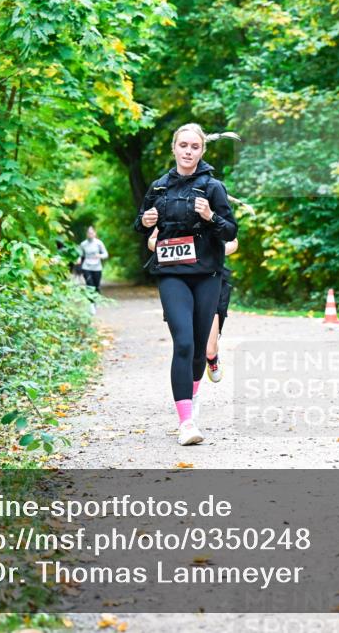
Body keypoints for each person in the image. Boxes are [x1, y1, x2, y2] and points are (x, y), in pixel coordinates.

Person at [134, 124, 238, 445]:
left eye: (195, 146)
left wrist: (210, 217)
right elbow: (141, 224)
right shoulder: (158, 187)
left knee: (197, 348)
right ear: (174, 148)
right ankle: (186, 423)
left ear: (202, 150)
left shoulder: (213, 187)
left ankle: (191, 399)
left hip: (207, 275)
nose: (188, 151)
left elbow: (230, 231)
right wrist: (145, 222)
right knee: (182, 343)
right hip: (172, 274)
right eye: (183, 145)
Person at [149, 231, 238, 383]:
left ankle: (212, 359)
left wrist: (211, 250)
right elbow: (152, 241)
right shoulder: (169, 214)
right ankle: (190, 392)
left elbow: (233, 242)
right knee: (186, 344)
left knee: (208, 349)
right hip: (179, 280)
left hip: (210, 279)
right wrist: (169, 248)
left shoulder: (212, 215)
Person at [76, 226, 109, 294]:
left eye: (91, 233)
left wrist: (100, 255)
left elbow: (106, 254)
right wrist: (78, 259)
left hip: (97, 267)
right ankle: (91, 300)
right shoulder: (83, 244)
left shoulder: (99, 243)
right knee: (90, 285)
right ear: (86, 234)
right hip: (86, 267)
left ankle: (97, 298)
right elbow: (80, 254)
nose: (90, 234)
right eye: (88, 233)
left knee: (96, 286)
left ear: (95, 233)